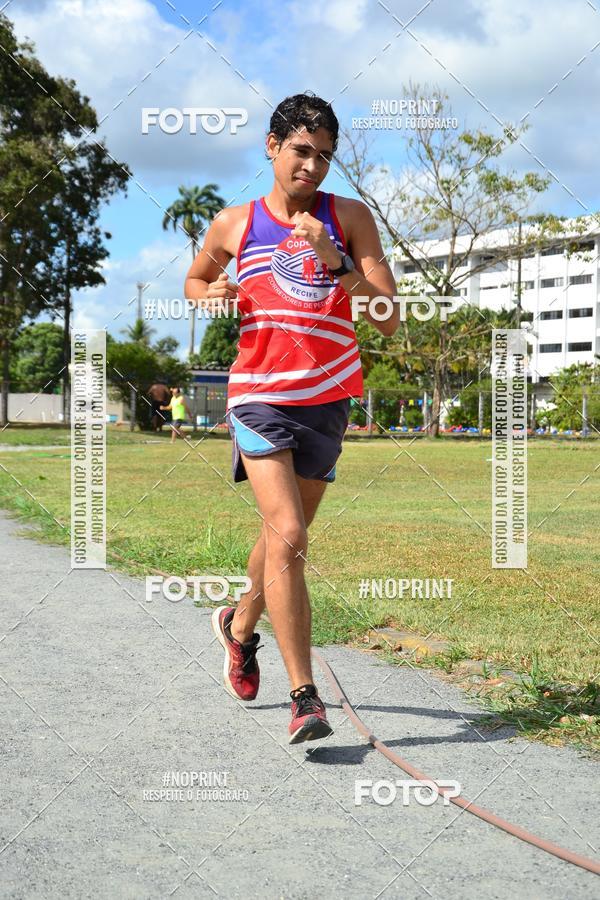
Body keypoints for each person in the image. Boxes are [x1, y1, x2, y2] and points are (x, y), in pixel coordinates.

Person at [184, 91, 398, 744]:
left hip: (329, 399)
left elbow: (389, 316)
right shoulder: (234, 225)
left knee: (286, 537)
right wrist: (211, 292)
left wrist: (337, 263)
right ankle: (305, 696)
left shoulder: (353, 218)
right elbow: (194, 283)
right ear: (272, 148)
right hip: (259, 396)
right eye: (301, 151)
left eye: (325, 156)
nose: (312, 165)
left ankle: (238, 625)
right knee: (290, 535)